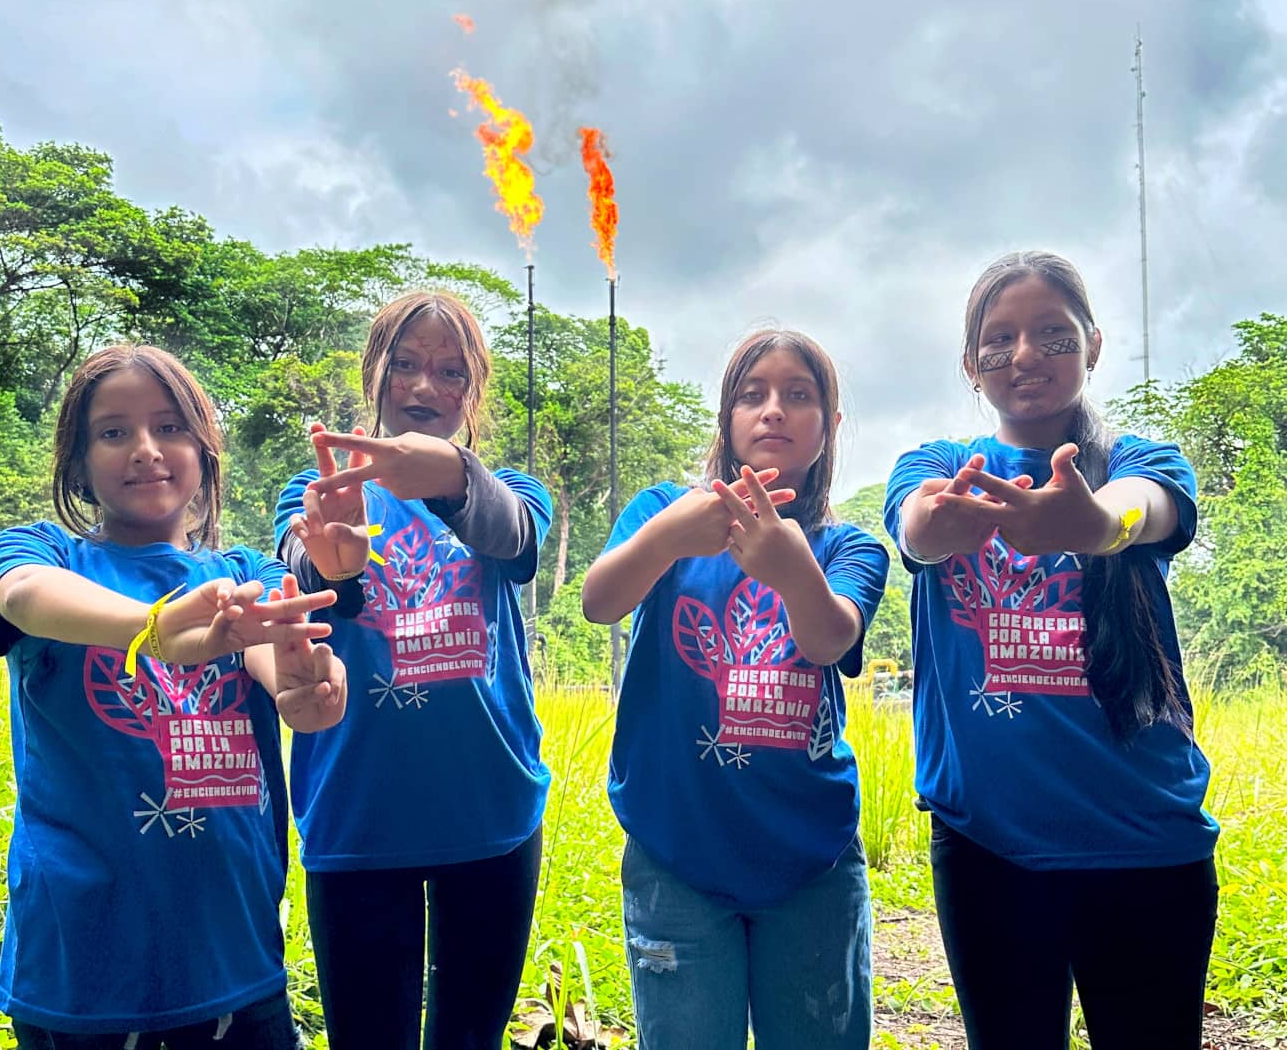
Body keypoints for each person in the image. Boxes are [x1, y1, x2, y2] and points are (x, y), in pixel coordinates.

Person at [883, 251, 1219, 1049]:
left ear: (1094, 345)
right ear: (971, 364)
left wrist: (1097, 526)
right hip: (988, 849)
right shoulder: (936, 465)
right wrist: (939, 523)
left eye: (1051, 335)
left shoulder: (1138, 462)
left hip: (1146, 847)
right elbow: (915, 529)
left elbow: (1148, 510)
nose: (1024, 355)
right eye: (998, 341)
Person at [0, 344, 346, 1049]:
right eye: (114, 432)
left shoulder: (243, 570)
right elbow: (22, 598)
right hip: (77, 969)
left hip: (234, 957)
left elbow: (276, 650)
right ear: (78, 464)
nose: (146, 449)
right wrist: (155, 630)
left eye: (170, 426)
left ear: (204, 452)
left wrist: (310, 687)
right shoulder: (43, 553)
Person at [582, 328, 889, 1050]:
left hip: (811, 859)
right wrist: (666, 538)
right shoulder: (665, 509)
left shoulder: (850, 548)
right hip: (675, 851)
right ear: (726, 418)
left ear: (829, 427)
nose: (772, 411)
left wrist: (790, 566)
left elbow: (828, 639)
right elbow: (600, 602)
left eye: (798, 395)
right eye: (752, 395)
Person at [272, 291, 552, 1050]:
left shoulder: (512, 492)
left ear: (473, 393)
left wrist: (452, 474)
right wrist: (341, 560)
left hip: (493, 816)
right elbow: (313, 574)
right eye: (405, 365)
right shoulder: (315, 494)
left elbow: (515, 540)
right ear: (375, 375)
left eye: (450, 371)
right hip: (357, 818)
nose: (425, 387)